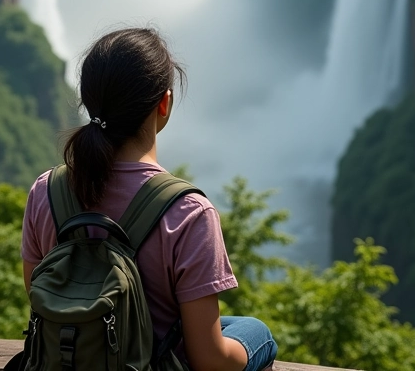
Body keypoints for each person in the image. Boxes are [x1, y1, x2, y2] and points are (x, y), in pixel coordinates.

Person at [21, 27, 278, 371]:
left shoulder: (46, 191)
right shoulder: (188, 213)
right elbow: (210, 361)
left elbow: (40, 298)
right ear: (164, 102)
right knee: (255, 331)